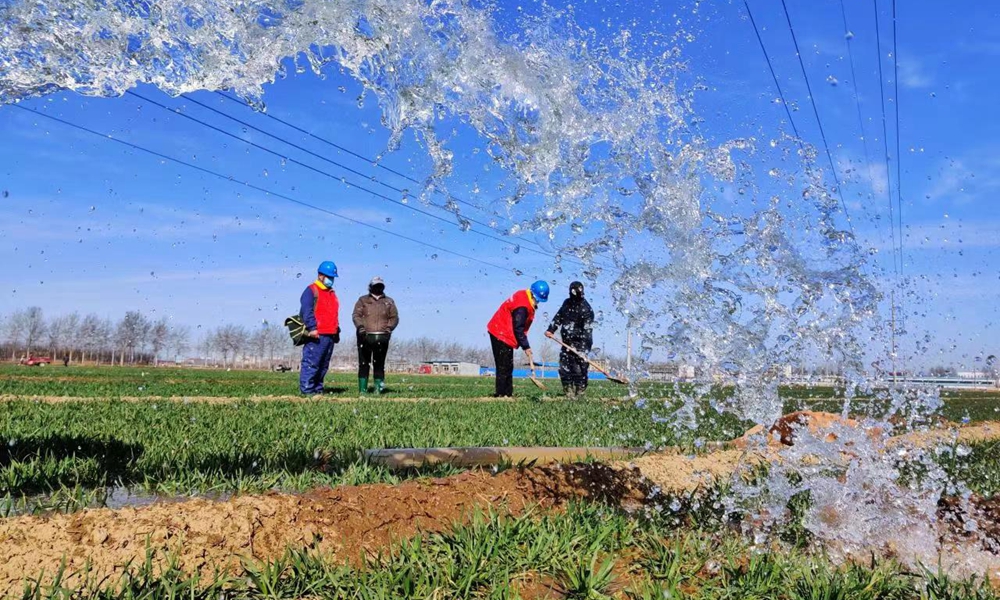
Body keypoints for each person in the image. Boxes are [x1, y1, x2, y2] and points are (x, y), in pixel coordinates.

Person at [486, 280, 549, 397]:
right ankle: (501, 394)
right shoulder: (522, 306)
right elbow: (518, 328)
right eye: (538, 300)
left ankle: (507, 394)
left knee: (508, 365)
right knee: (503, 365)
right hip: (500, 333)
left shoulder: (523, 295)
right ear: (533, 295)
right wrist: (526, 346)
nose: (538, 303)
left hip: (502, 331)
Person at [545, 281, 595, 398]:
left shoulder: (586, 309)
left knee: (579, 369)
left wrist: (583, 350)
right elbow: (558, 317)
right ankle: (568, 391)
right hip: (566, 342)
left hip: (581, 344)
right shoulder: (566, 304)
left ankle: (580, 392)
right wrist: (551, 329)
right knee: (564, 367)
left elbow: (587, 332)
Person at [299, 261, 341, 395]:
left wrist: (336, 330)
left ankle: (318, 390)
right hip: (317, 334)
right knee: (312, 363)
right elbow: (307, 311)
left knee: (323, 365)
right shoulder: (311, 290)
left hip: (329, 335)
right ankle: (307, 391)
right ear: (320, 275)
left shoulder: (331, 293)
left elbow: (333, 313)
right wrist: (312, 328)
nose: (331, 280)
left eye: (333, 277)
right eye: (329, 276)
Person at [352, 276, 399, 394]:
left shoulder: (389, 301)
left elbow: (394, 317)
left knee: (379, 364)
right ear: (370, 287)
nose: (378, 288)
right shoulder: (362, 300)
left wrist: (389, 328)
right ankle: (362, 390)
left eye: (380, 285)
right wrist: (360, 327)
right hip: (364, 337)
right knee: (363, 363)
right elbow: (356, 315)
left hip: (382, 338)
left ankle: (378, 389)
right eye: (375, 285)